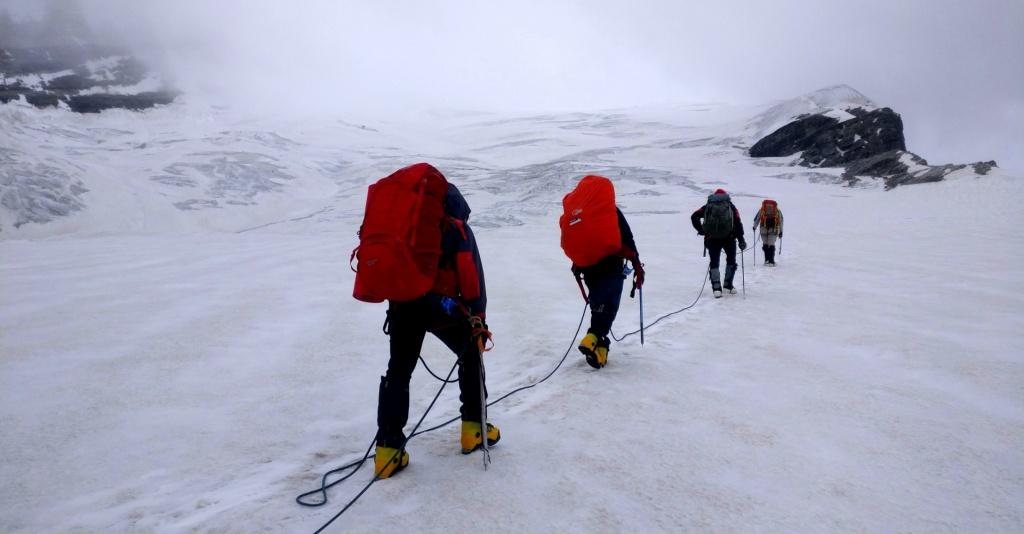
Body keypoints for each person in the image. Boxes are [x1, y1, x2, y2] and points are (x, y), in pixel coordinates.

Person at [373, 182, 499, 478]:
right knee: (470, 353)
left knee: (399, 371)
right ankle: (473, 429)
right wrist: (478, 321)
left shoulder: (403, 229)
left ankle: (387, 451)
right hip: (441, 309)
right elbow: (471, 280)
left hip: (403, 306)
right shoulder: (457, 230)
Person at [573, 208, 643, 369]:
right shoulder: (611, 210)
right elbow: (627, 236)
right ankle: (592, 337)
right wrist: (636, 261)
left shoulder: (582, 213)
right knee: (609, 306)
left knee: (598, 307)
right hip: (611, 264)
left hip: (587, 266)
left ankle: (600, 351)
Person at [691, 188, 746, 298]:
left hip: (712, 238)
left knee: (714, 262)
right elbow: (738, 223)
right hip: (729, 238)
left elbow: (694, 216)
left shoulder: (708, 206)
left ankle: (716, 288)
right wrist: (741, 240)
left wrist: (701, 230)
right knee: (731, 260)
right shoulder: (731, 206)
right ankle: (728, 285)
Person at [752, 199, 783, 266]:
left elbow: (757, 218)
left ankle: (766, 260)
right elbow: (780, 221)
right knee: (771, 244)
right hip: (773, 229)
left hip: (763, 228)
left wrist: (754, 227)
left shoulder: (762, 209)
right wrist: (781, 231)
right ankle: (771, 261)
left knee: (765, 243)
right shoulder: (777, 210)